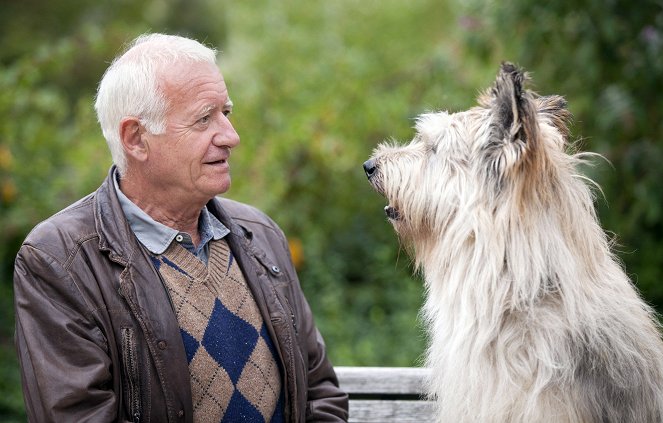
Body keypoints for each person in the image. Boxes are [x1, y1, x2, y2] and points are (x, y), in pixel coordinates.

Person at [13, 33, 348, 423]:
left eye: (227, 112)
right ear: (136, 138)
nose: (230, 136)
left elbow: (319, 393)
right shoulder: (60, 259)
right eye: (204, 118)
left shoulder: (261, 234)